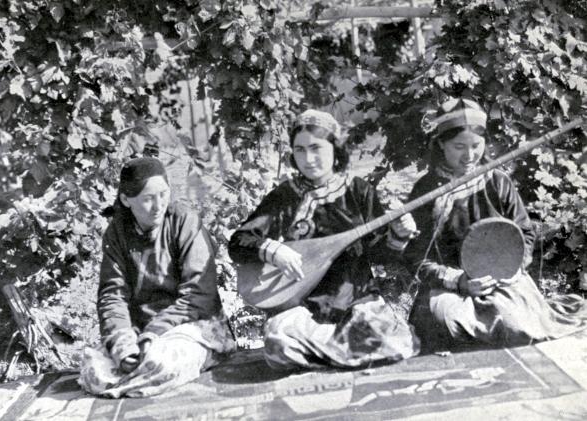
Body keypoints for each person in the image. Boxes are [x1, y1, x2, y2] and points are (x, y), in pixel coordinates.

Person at [228, 109, 420, 371]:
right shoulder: (285, 196)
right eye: (300, 150)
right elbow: (239, 242)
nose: (308, 159)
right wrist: (273, 251)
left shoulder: (359, 190)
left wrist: (398, 235)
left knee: (392, 338)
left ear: (334, 149)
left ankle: (327, 353)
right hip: (304, 308)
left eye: (316, 148)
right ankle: (346, 351)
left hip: (356, 302)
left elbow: (379, 256)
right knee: (277, 340)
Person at [404, 97, 587, 351]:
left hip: (501, 278)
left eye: (476, 145)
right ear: (441, 144)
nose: (469, 156)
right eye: (459, 146)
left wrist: (510, 268)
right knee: (445, 323)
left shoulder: (498, 182)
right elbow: (415, 257)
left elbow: (525, 233)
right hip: (450, 286)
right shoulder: (426, 192)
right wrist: (460, 281)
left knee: (514, 323)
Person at [79, 157, 235, 398]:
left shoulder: (184, 221)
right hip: (139, 333)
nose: (158, 205)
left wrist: (154, 333)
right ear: (126, 200)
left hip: (190, 326)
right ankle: (138, 377)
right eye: (148, 198)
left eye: (163, 194)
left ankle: (139, 378)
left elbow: (199, 294)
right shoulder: (117, 233)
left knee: (160, 362)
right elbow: (113, 295)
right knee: (93, 371)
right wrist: (123, 344)